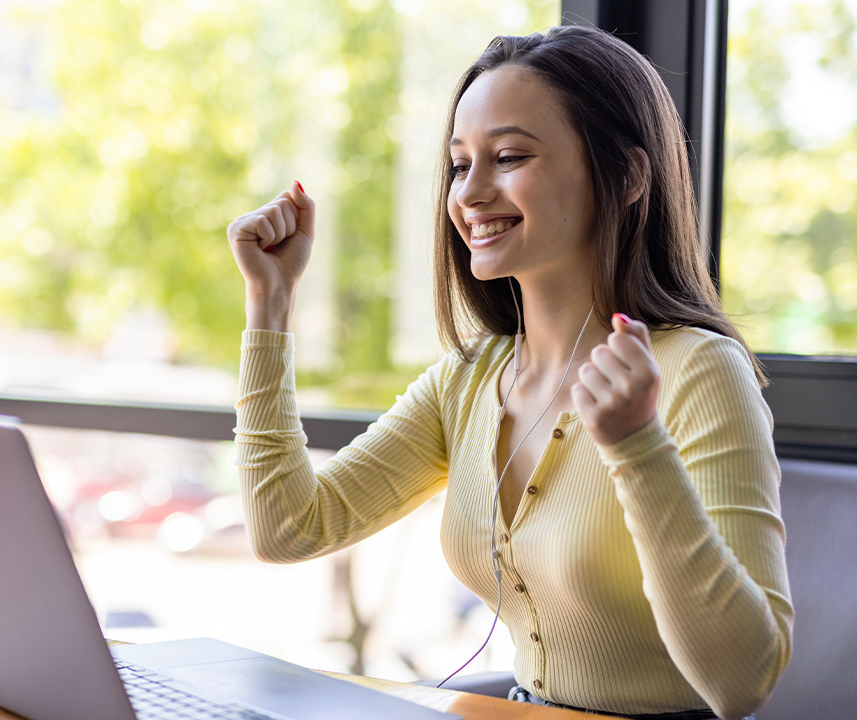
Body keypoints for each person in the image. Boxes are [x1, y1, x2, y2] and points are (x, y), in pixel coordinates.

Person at [224, 25, 791, 720]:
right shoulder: (466, 379)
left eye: (510, 156)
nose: (471, 193)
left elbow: (741, 684)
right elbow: (288, 528)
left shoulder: (700, 371)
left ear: (629, 175)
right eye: (460, 165)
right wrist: (269, 304)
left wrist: (638, 447)